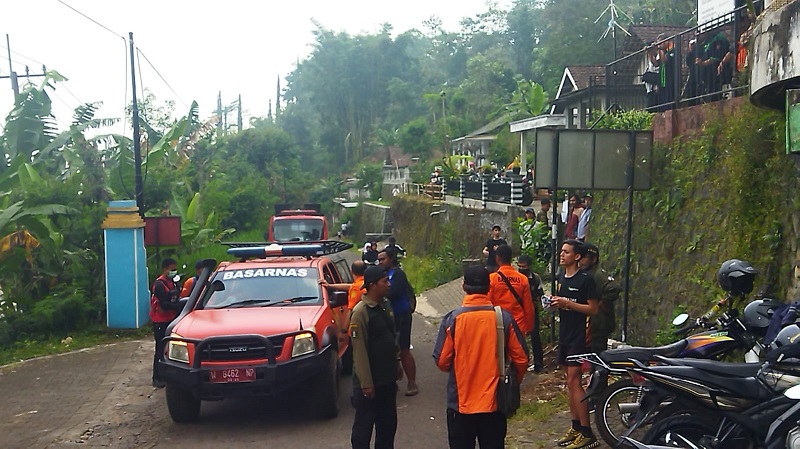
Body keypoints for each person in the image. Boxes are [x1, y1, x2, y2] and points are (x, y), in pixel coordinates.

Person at [433, 265, 529, 449]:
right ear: (489, 287)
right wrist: (511, 382)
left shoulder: (453, 320)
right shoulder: (504, 319)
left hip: (460, 405)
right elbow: (522, 359)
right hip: (494, 405)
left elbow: (442, 362)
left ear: (463, 286)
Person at [551, 240, 599, 449]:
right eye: (561, 251)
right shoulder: (562, 277)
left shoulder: (586, 280)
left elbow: (593, 309)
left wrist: (567, 303)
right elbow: (565, 302)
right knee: (569, 383)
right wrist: (555, 303)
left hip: (580, 336)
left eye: (566, 252)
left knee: (575, 380)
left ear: (577, 257)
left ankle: (588, 432)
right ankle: (576, 427)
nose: (562, 255)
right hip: (565, 334)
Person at [349, 266, 402, 449]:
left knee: (387, 427)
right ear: (372, 286)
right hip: (369, 384)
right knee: (363, 430)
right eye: (384, 281)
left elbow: (391, 336)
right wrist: (366, 384)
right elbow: (359, 351)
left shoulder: (385, 304)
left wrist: (397, 362)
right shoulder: (361, 312)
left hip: (387, 380)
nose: (389, 284)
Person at [378, 247, 418, 396]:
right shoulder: (384, 274)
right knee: (389, 351)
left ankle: (412, 383)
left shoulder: (398, 275)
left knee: (404, 350)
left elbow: (392, 293)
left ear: (391, 259)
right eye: (379, 259)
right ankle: (393, 380)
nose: (380, 262)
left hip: (401, 316)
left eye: (383, 259)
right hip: (388, 317)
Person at [149, 258, 184, 388]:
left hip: (170, 319)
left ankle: (166, 375)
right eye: (171, 269)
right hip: (160, 320)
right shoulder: (159, 285)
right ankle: (156, 377)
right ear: (165, 269)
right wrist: (178, 306)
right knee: (160, 348)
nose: (173, 272)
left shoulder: (171, 282)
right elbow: (164, 303)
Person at [580, 243, 621, 355]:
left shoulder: (598, 274)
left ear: (593, 259)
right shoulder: (584, 274)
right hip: (586, 325)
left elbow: (614, 288)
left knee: (597, 355)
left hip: (598, 324)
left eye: (585, 257)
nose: (581, 260)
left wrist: (600, 304)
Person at [488, 244, 534, 338]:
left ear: (497, 258)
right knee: (517, 352)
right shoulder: (523, 279)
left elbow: (488, 304)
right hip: (518, 325)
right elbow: (528, 306)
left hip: (499, 325)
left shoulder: (492, 279)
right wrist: (528, 327)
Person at [517, 254, 545, 373]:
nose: (522, 269)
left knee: (535, 337)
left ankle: (538, 363)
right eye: (520, 266)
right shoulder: (516, 278)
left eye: (524, 267)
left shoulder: (535, 278)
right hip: (518, 311)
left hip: (532, 311)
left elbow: (540, 293)